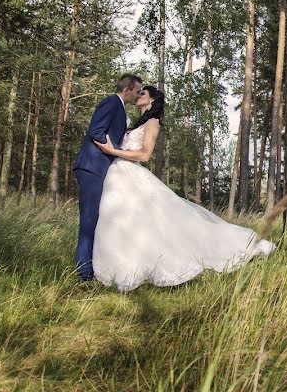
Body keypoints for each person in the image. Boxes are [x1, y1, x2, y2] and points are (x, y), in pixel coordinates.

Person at [91, 85, 274, 291]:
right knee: (124, 221)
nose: (138, 95)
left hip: (130, 171)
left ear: (152, 100)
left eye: (143, 93)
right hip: (119, 174)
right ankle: (121, 265)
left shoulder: (152, 123)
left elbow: (144, 155)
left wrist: (112, 150)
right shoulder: (137, 123)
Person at [72, 74, 144, 281]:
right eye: (137, 91)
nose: (138, 95)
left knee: (98, 219)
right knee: (89, 220)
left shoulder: (120, 107)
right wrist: (115, 150)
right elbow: (96, 131)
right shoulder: (111, 102)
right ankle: (83, 274)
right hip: (91, 167)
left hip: (101, 168)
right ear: (127, 89)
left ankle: (94, 268)